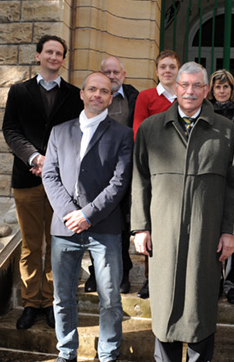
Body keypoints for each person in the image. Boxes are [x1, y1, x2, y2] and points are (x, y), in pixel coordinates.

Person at [130, 62, 234, 362]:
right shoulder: (151, 128)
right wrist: (140, 227)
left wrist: (230, 231)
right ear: (175, 88)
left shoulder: (225, 131)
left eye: (197, 86)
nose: (190, 91)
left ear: (206, 90)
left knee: (200, 304)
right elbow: (139, 180)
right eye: (185, 85)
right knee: (165, 305)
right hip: (163, 235)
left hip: (204, 237)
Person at [42, 72, 133, 362]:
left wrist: (88, 215)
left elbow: (119, 183)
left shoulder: (122, 134)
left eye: (104, 91)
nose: (97, 95)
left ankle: (107, 354)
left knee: (109, 298)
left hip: (104, 228)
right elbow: (50, 175)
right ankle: (66, 352)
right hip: (64, 228)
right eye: (92, 89)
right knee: (63, 297)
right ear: (81, 94)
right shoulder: (59, 131)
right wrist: (71, 214)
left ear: (110, 97)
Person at [2, 35, 83, 330]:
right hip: (26, 178)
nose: (53, 57)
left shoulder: (75, 95)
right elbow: (10, 130)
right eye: (48, 51)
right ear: (38, 56)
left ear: (63, 59)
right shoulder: (19, 92)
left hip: (61, 184)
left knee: (58, 243)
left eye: (58, 53)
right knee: (30, 245)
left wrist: (55, 164)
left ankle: (50, 302)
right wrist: (35, 158)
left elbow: (78, 134)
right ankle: (30, 302)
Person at [83, 56, 139, 294]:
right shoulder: (94, 99)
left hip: (126, 172)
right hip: (97, 171)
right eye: (108, 72)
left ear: (124, 75)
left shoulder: (135, 98)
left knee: (123, 226)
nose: (113, 76)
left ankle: (122, 273)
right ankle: (95, 273)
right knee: (95, 222)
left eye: (116, 72)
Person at [131, 49, 181, 299]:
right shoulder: (146, 97)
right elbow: (139, 130)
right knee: (153, 226)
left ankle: (175, 280)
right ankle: (151, 279)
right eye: (163, 67)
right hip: (154, 170)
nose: (168, 71)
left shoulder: (185, 96)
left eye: (172, 66)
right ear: (157, 70)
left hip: (182, 170)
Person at [207, 69, 234, 305]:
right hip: (212, 177)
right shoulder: (205, 113)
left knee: (233, 230)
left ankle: (233, 284)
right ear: (212, 90)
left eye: (226, 87)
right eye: (217, 87)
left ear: (232, 90)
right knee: (213, 231)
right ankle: (213, 282)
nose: (222, 91)